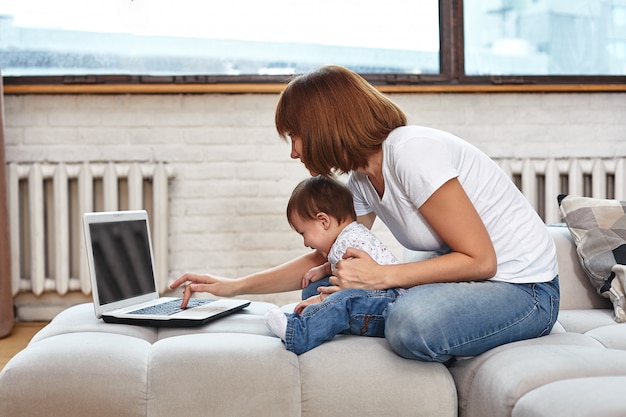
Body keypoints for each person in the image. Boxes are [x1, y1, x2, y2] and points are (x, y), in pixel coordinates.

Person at [171, 65, 560, 363]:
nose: (293, 152)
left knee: (410, 323)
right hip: (476, 285)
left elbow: (482, 260)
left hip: (526, 290)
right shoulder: (361, 178)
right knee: (316, 290)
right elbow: (326, 254)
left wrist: (381, 276)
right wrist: (233, 286)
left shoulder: (410, 152)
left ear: (324, 126)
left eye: (295, 136)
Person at [263, 175, 402, 354]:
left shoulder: (349, 240)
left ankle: (298, 334)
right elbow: (347, 270)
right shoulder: (346, 238)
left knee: (342, 300)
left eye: (303, 233)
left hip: (387, 304)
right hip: (375, 300)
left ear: (323, 221)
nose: (305, 243)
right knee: (314, 289)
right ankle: (317, 320)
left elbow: (355, 283)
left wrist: (322, 300)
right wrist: (323, 269)